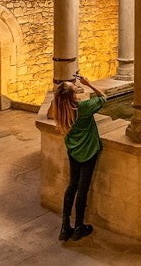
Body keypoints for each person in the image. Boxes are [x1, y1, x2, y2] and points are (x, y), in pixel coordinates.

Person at [53, 75, 107, 242]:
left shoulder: (61, 109)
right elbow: (103, 97)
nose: (76, 85)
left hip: (73, 150)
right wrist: (89, 83)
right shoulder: (82, 108)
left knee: (72, 185)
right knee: (82, 188)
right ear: (73, 94)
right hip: (88, 150)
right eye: (74, 86)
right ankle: (78, 226)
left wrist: (69, 86)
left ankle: (64, 227)